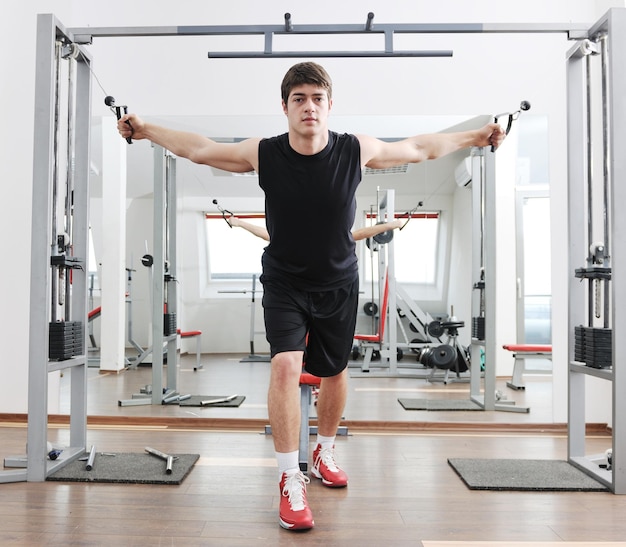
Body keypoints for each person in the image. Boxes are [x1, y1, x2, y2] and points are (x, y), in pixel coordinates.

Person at [117, 61, 506, 531]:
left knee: (334, 372)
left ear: (329, 105)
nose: (308, 107)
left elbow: (420, 147)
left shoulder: (354, 149)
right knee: (285, 364)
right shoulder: (265, 153)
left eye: (316, 98)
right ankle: (288, 477)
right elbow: (201, 149)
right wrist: (146, 130)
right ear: (285, 107)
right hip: (284, 281)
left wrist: (473, 137)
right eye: (299, 99)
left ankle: (324, 449)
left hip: (339, 283)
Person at [226, 214, 404, 243]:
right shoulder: (293, 239)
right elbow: (267, 235)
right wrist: (240, 223)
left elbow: (360, 234)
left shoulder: (330, 238)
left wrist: (392, 225)